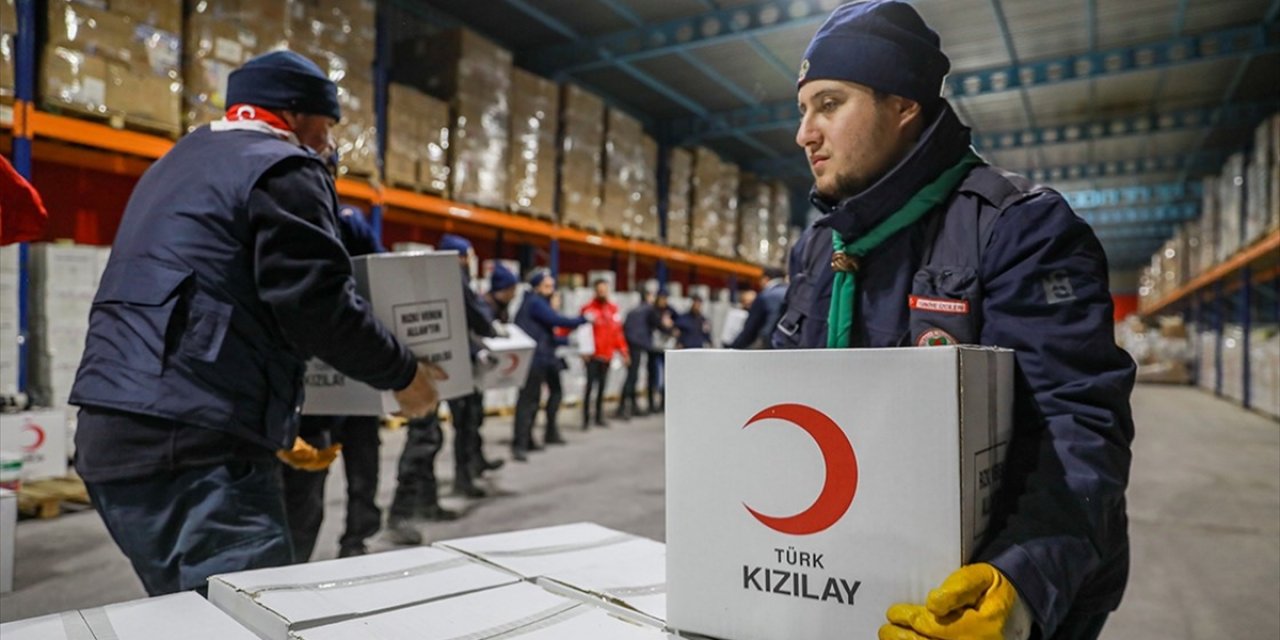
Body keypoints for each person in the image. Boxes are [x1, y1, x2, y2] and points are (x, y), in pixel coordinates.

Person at [777, 4, 1135, 639]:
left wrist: (1019, 583)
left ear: (904, 105)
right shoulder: (816, 250)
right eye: (803, 109)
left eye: (828, 104)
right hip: (857, 563)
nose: (804, 133)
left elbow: (1077, 423)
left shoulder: (1018, 227)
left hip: (990, 587)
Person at [67, 51, 442, 595]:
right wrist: (403, 375)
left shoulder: (179, 163)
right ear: (295, 116)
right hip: (199, 447)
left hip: (111, 437)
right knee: (248, 616)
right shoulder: (283, 166)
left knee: (191, 616)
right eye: (328, 125)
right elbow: (316, 305)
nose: (331, 143)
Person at [282, 205, 387, 561]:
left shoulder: (347, 221)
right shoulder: (291, 217)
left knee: (363, 466)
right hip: (315, 385)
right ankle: (296, 558)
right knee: (308, 476)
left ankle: (355, 538)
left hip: (356, 378)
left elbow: (384, 271)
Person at [436, 233, 499, 499]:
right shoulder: (456, 279)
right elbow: (476, 316)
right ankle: (464, 478)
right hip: (457, 362)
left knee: (465, 420)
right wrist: (490, 329)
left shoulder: (433, 277)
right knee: (465, 421)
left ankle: (472, 468)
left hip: (439, 360)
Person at [513, 270, 588, 461]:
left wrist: (565, 342)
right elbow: (556, 320)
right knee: (527, 402)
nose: (551, 290)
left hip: (542, 358)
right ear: (538, 286)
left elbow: (546, 334)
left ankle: (531, 439)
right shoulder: (535, 302)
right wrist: (583, 320)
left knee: (537, 400)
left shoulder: (537, 303)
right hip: (533, 360)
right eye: (547, 286)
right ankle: (520, 444)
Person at [579, 278, 629, 429]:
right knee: (589, 387)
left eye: (605, 290)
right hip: (592, 355)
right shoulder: (587, 309)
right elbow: (582, 331)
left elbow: (617, 333)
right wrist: (583, 350)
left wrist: (624, 351)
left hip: (607, 355)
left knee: (602, 387)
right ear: (595, 291)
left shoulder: (613, 309)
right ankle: (586, 419)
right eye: (600, 290)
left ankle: (599, 416)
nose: (602, 292)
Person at [729, 267, 787, 349]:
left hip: (769, 345)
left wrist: (734, 347)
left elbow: (751, 329)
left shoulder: (766, 296)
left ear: (765, 279)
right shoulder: (792, 292)